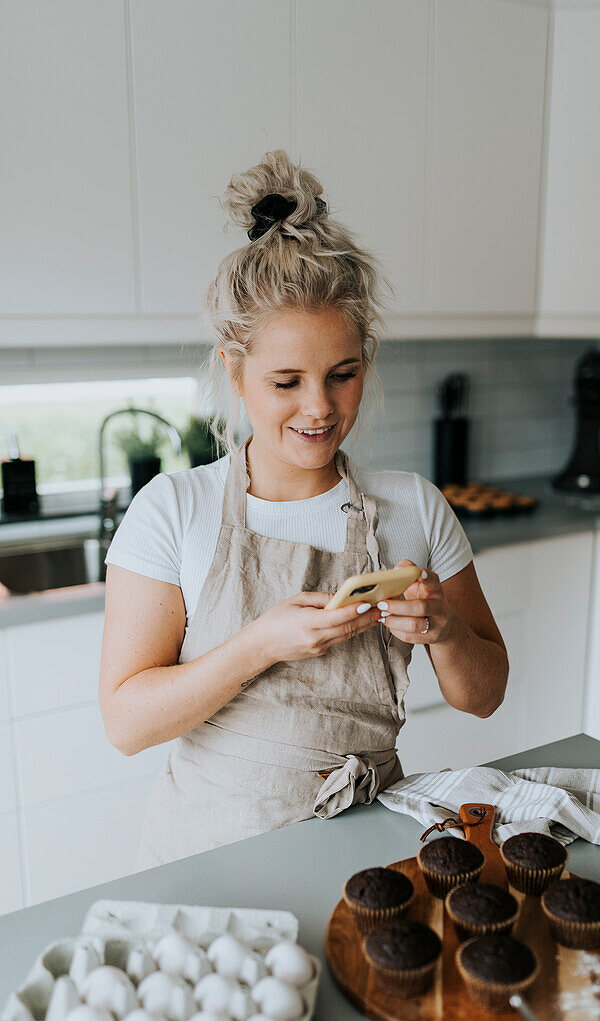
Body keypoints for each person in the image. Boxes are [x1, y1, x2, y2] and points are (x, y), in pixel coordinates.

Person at [100, 150, 509, 869]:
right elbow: (127, 724)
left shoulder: (412, 506)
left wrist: (443, 629)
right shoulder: (173, 510)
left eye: (342, 375)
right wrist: (261, 644)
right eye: (286, 381)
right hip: (208, 858)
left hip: (370, 857)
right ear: (234, 369)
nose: (319, 408)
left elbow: (483, 695)